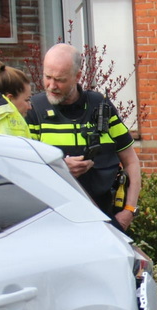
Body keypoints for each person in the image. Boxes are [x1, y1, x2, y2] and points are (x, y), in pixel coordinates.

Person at [26, 43, 141, 230]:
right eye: (47, 77)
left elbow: (131, 161)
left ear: (77, 76)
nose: (51, 86)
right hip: (55, 222)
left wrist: (129, 210)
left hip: (107, 220)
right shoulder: (33, 110)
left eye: (60, 79)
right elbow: (25, 170)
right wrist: (60, 168)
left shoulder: (101, 106)